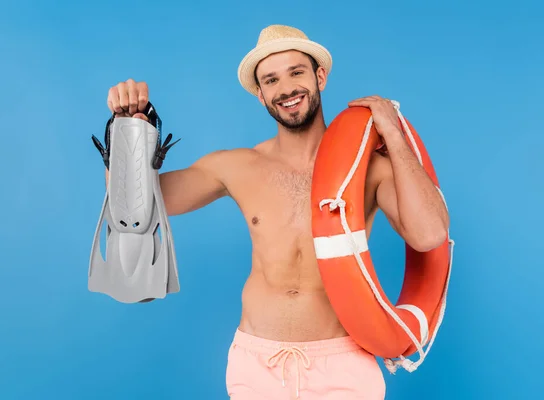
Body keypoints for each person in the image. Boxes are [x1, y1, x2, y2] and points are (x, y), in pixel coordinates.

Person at [104, 24, 449, 400]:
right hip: (259, 366)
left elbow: (429, 235)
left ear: (320, 77)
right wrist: (127, 130)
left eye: (296, 72)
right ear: (260, 95)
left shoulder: (368, 170)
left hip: (344, 363)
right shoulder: (237, 166)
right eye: (271, 80)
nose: (285, 89)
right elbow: (138, 207)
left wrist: (393, 135)